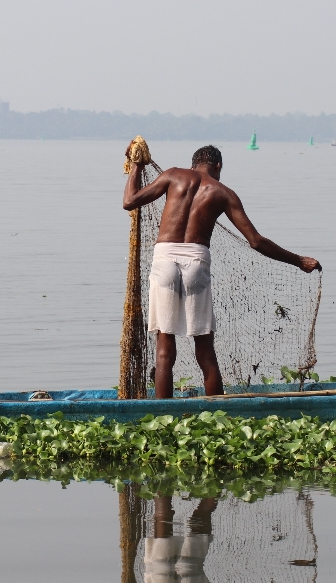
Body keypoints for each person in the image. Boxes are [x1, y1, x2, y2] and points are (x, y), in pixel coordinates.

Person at [123, 143, 321, 399]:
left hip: (165, 260)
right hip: (196, 262)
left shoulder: (173, 174)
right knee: (205, 351)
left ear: (193, 164)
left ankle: (163, 415)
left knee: (164, 351)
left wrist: (137, 165)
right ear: (218, 167)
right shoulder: (223, 192)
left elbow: (130, 201)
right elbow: (256, 241)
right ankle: (217, 413)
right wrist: (299, 260)